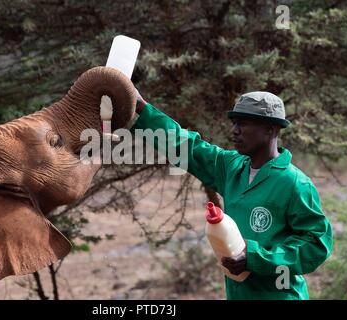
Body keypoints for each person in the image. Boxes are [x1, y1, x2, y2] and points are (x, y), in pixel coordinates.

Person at [130, 90, 333, 300]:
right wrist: (143, 108)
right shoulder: (232, 167)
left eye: (244, 123)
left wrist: (255, 258)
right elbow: (187, 147)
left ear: (270, 129)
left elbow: (316, 245)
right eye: (234, 122)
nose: (234, 131)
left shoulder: (295, 183)